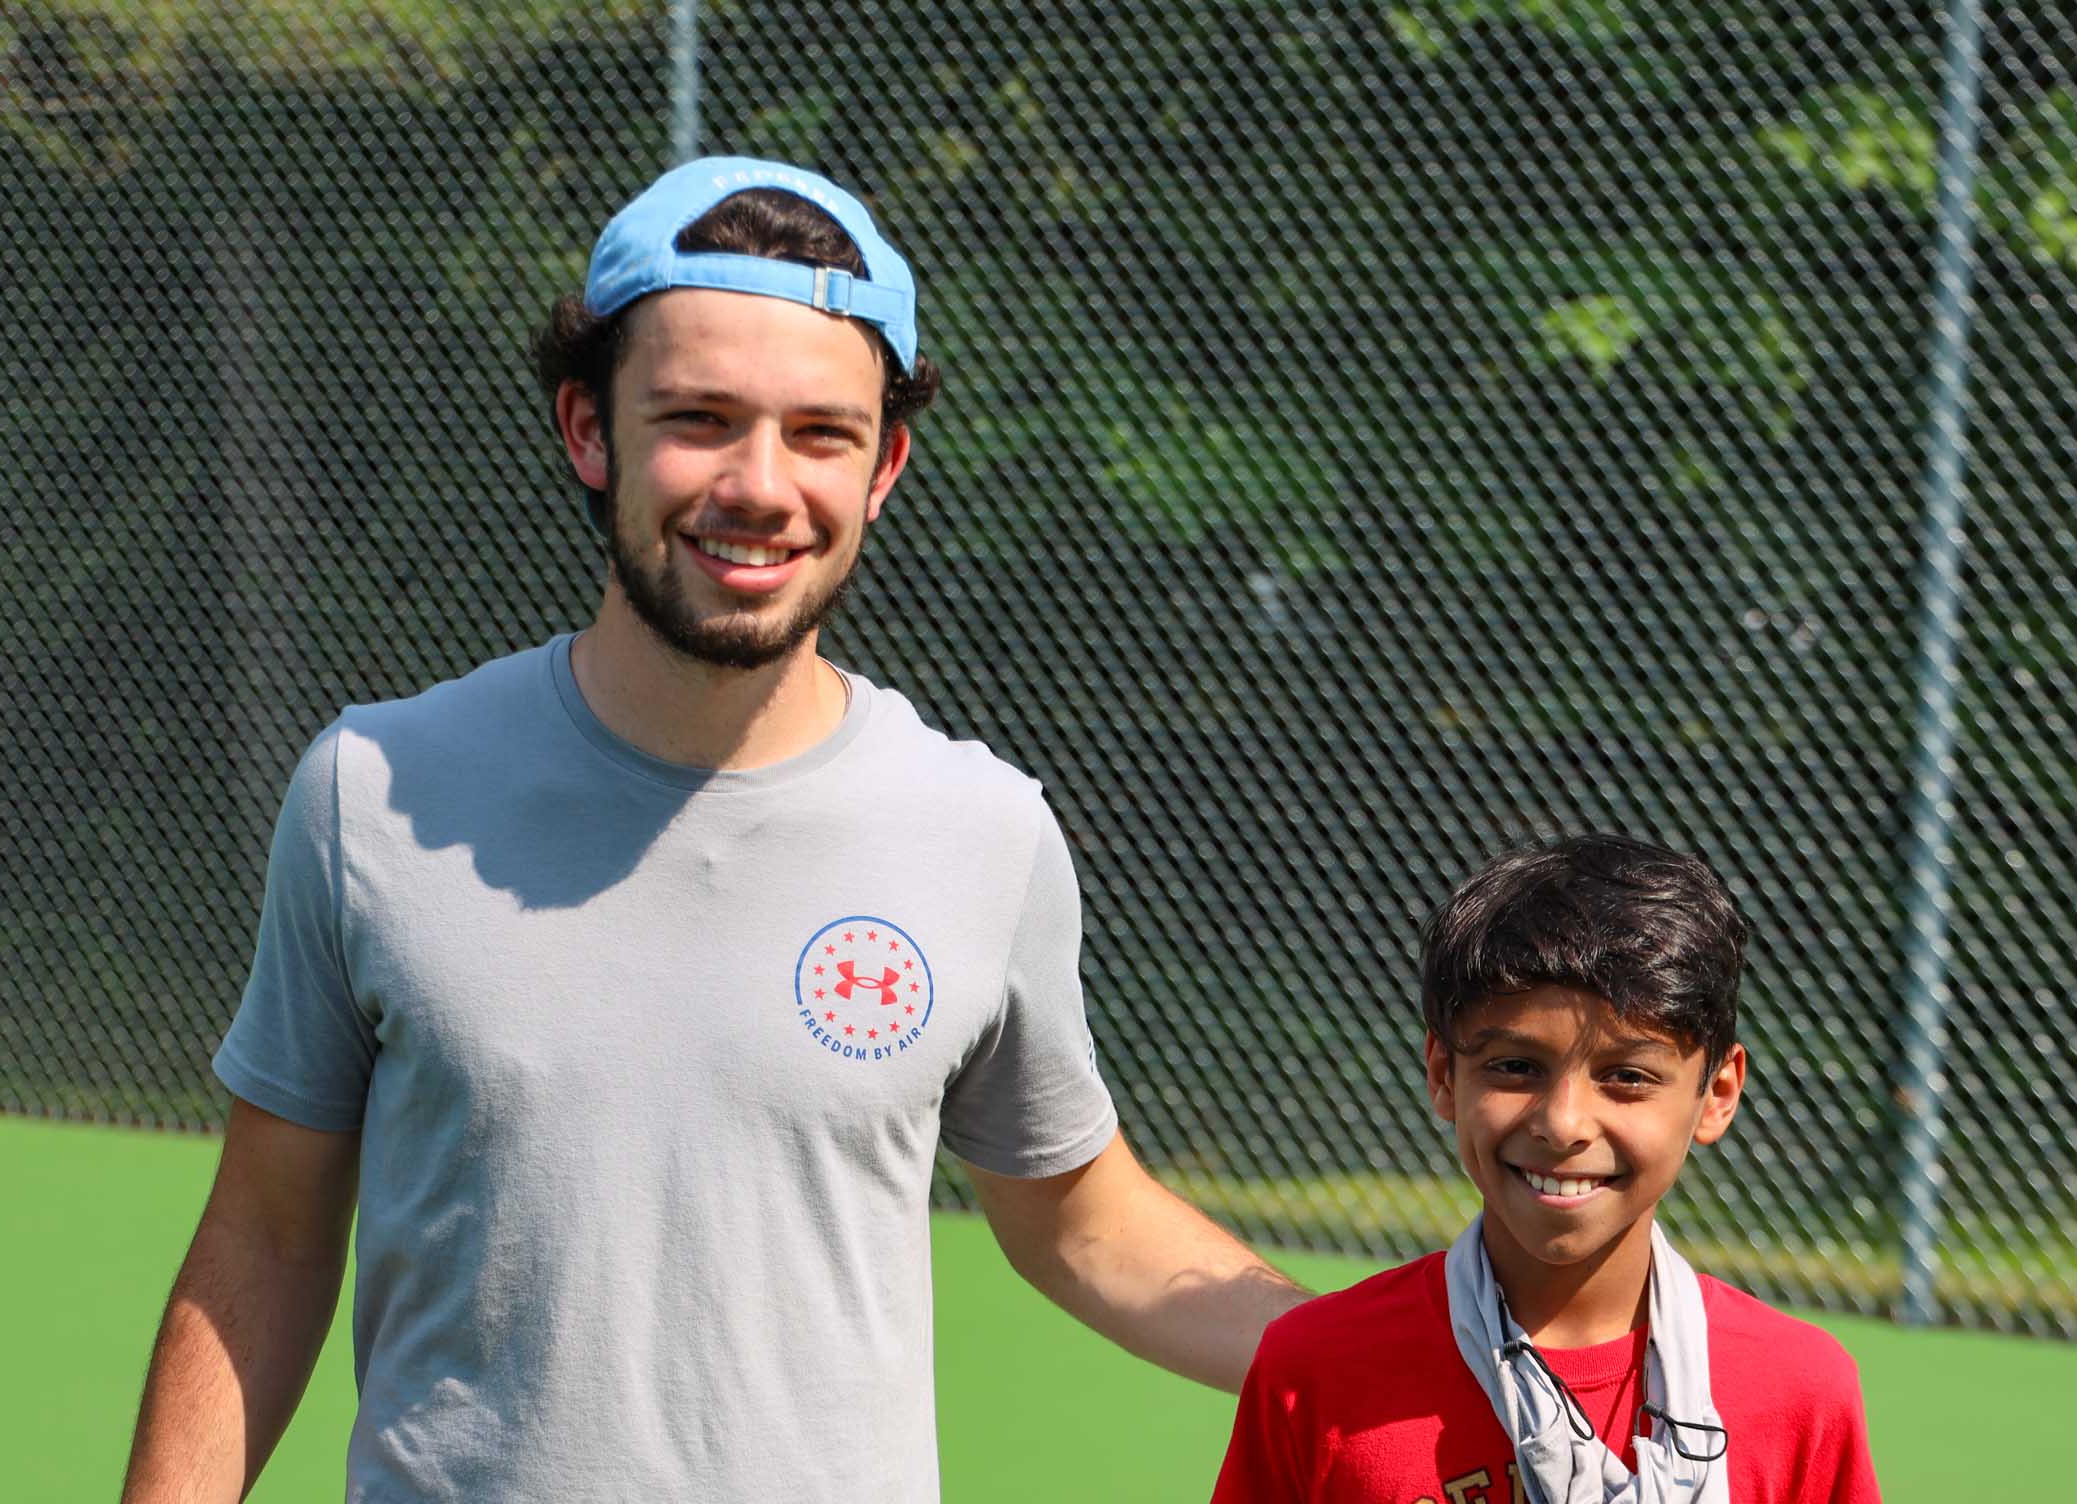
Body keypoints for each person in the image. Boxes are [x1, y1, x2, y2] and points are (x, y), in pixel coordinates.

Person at [119, 155, 1307, 1502]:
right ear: (586, 429)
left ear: (885, 468)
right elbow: (269, 1237)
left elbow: (1081, 1225)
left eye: (820, 434)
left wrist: (1380, 1357)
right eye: (699, 417)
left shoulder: (983, 829)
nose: (759, 485)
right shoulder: (373, 789)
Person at [1211, 834, 1878, 1503]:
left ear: (1716, 1095)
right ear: (1444, 1075)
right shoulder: (1316, 1372)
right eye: (1516, 1067)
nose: (1563, 1125)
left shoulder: (1800, 1392)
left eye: (1627, 1076)